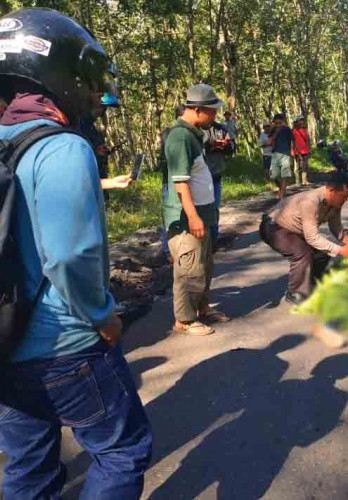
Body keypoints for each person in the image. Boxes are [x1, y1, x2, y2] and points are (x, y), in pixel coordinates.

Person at [0, 8, 152, 498]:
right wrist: (104, 316)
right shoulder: (62, 147)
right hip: (63, 345)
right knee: (122, 451)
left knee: (28, 468)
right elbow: (69, 256)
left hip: (4, 345)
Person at [163, 83, 230, 336]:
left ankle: (202, 308)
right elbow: (180, 182)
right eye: (212, 111)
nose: (215, 116)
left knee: (204, 265)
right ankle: (185, 319)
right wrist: (192, 216)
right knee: (189, 269)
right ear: (199, 110)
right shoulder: (179, 137)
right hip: (187, 218)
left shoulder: (192, 134)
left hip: (202, 213)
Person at [259, 171, 348, 306]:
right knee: (302, 253)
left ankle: (311, 283)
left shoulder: (336, 203)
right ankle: (295, 293)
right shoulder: (311, 201)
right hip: (273, 227)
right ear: (331, 190)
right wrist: (341, 250)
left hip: (296, 230)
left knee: (322, 253)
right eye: (344, 196)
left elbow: (336, 227)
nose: (346, 200)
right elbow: (312, 238)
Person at [157, 105, 186, 262]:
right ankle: (170, 251)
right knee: (170, 213)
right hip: (169, 180)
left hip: (179, 181)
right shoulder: (170, 134)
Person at [202, 120, 233, 245]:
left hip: (216, 172)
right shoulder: (197, 128)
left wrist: (225, 145)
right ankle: (204, 237)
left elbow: (231, 149)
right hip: (201, 174)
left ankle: (213, 238)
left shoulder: (221, 129)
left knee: (214, 206)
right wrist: (209, 145)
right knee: (203, 206)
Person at [267, 113, 294, 199]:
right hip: (275, 154)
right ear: (274, 122)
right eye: (276, 123)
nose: (278, 124)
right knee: (273, 175)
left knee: (284, 175)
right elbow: (269, 142)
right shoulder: (272, 130)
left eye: (280, 123)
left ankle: (281, 195)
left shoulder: (287, 129)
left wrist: (292, 151)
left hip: (286, 154)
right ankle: (281, 188)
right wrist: (275, 133)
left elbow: (292, 140)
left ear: (282, 122)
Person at [292, 115, 311, 185]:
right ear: (297, 122)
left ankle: (304, 180)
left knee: (305, 165)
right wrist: (295, 150)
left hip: (305, 150)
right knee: (297, 166)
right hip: (297, 151)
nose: (301, 121)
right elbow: (293, 142)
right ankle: (297, 181)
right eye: (300, 120)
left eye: (302, 120)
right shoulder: (294, 131)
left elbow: (307, 141)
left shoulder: (305, 130)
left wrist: (309, 149)